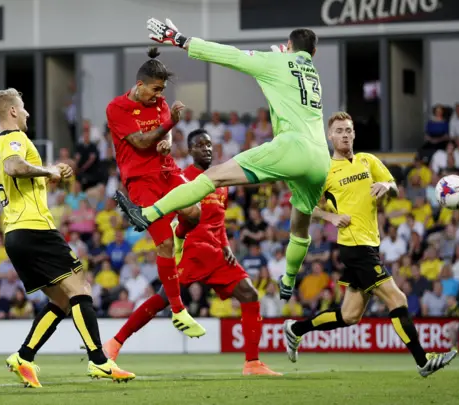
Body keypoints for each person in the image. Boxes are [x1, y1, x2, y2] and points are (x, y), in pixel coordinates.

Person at [116, 20, 330, 307]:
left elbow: (228, 55)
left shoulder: (276, 63)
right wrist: (285, 56)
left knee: (213, 176)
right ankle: (289, 279)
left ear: (289, 47)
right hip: (320, 157)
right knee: (300, 228)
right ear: (313, 53)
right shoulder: (313, 73)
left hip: (293, 147)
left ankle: (149, 214)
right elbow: (293, 71)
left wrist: (179, 38)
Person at [282, 112, 457, 378]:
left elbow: (394, 186)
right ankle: (423, 361)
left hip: (371, 245)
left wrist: (387, 186)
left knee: (349, 316)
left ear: (354, 133)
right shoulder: (325, 171)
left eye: (349, 130)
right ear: (330, 136)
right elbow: (304, 206)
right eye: (339, 130)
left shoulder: (368, 160)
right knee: (397, 298)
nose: (345, 134)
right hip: (354, 247)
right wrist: (331, 216)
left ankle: (296, 330)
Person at [103, 129, 280, 376]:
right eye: (199, 145)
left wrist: (227, 246)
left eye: (208, 144)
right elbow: (173, 214)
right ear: (189, 150)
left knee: (250, 294)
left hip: (217, 252)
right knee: (164, 298)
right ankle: (114, 343)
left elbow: (220, 223)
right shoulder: (182, 178)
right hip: (191, 250)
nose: (206, 148)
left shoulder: (221, 181)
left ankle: (252, 363)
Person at [0, 88, 134, 388]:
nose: (27, 113)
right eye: (24, 107)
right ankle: (99, 361)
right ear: (13, 112)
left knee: (61, 299)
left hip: (15, 232)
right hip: (34, 228)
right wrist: (50, 170)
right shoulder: (15, 139)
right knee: (81, 287)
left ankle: (24, 357)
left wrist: (47, 174)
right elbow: (14, 167)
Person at [105, 48, 204, 338]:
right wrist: (170, 124)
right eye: (155, 89)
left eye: (162, 90)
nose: (159, 95)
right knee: (163, 246)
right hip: (141, 181)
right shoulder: (117, 108)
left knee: (195, 212)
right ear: (139, 85)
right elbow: (141, 142)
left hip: (167, 171)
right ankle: (178, 309)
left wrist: (168, 139)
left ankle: (180, 232)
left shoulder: (159, 102)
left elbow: (162, 134)